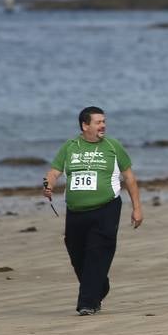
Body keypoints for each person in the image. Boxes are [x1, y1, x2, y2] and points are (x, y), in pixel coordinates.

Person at [42, 107, 144, 316]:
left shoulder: (113, 146)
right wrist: (49, 184)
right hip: (76, 211)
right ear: (85, 125)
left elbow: (129, 178)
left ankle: (87, 303)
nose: (103, 125)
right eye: (98, 122)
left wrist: (137, 208)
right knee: (77, 254)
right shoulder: (70, 147)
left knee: (98, 252)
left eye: (103, 121)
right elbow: (54, 171)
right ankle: (100, 286)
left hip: (106, 208)